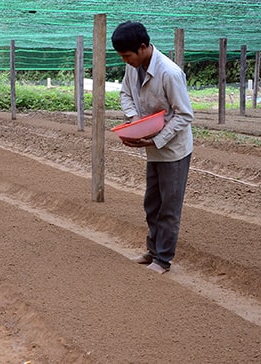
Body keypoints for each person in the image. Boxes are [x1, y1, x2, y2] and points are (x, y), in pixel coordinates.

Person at [111, 21, 194, 274]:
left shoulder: (169, 73)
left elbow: (184, 115)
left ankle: (163, 260)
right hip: (152, 146)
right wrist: (134, 118)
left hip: (172, 150)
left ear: (143, 47)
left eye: (127, 55)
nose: (125, 61)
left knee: (168, 206)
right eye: (122, 57)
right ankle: (152, 250)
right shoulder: (133, 67)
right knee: (152, 203)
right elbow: (125, 94)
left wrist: (156, 139)